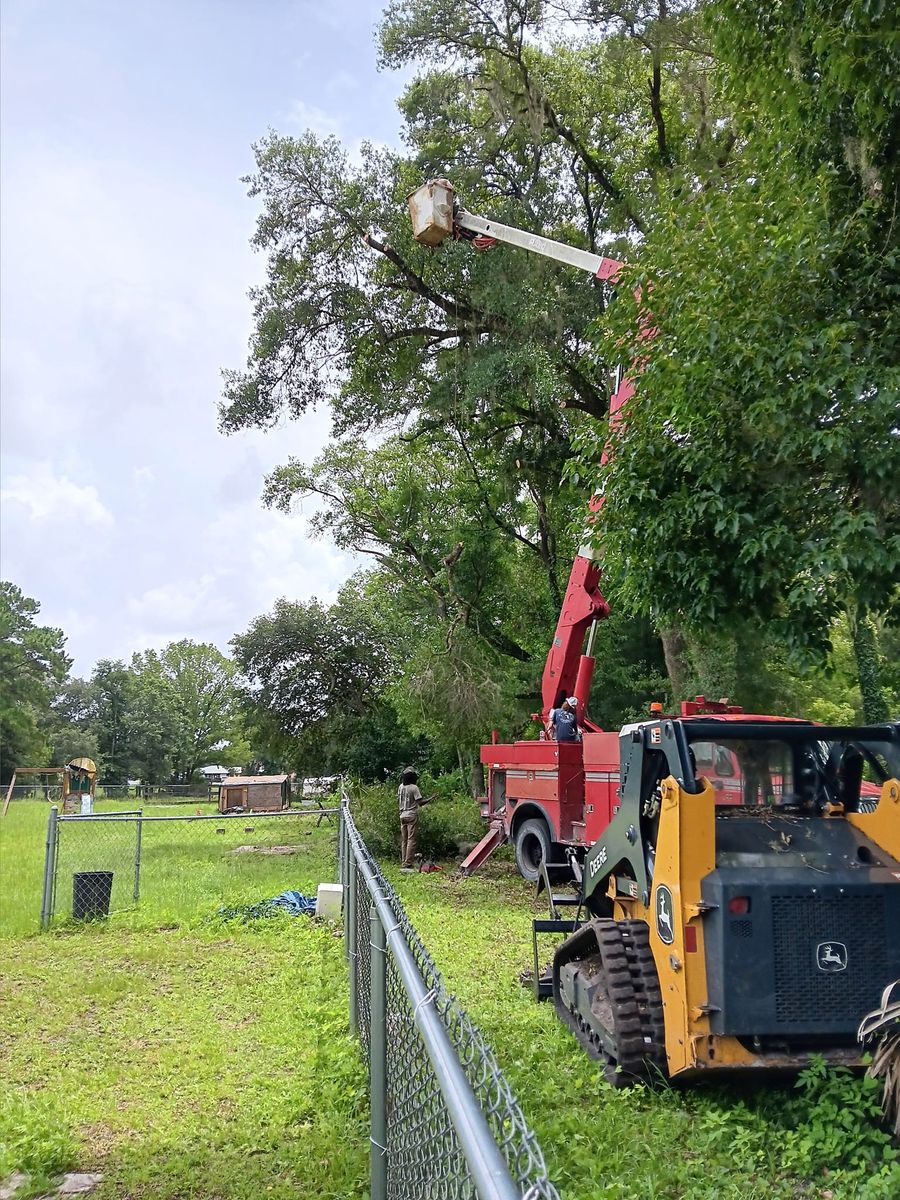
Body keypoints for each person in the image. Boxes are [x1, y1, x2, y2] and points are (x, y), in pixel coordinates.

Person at [398, 767, 429, 872]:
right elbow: (420, 802)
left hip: (402, 815)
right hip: (411, 815)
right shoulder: (414, 788)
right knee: (411, 840)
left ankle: (404, 861)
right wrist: (431, 798)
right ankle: (408, 863)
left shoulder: (401, 787)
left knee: (404, 840)